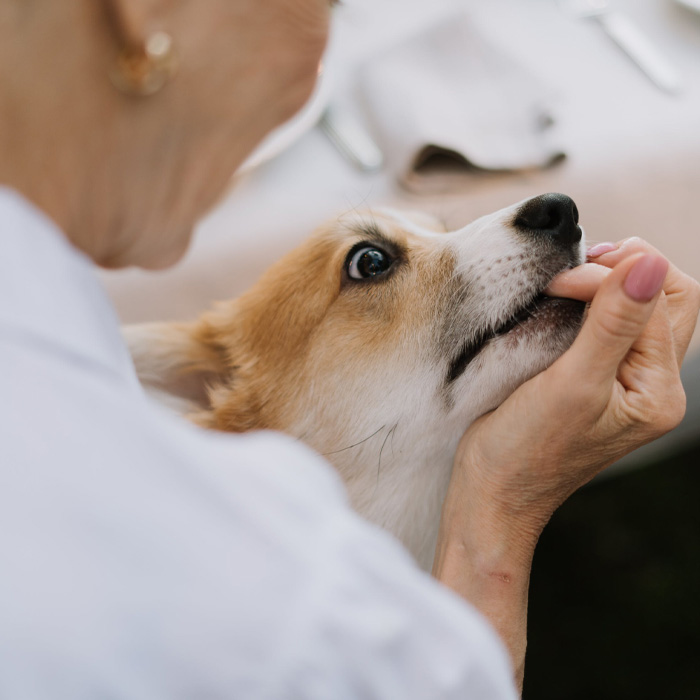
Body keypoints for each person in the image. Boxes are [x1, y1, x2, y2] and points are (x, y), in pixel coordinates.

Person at [0, 0, 698, 697]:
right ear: (144, 13)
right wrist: (504, 505)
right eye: (372, 264)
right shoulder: (278, 620)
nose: (320, 66)